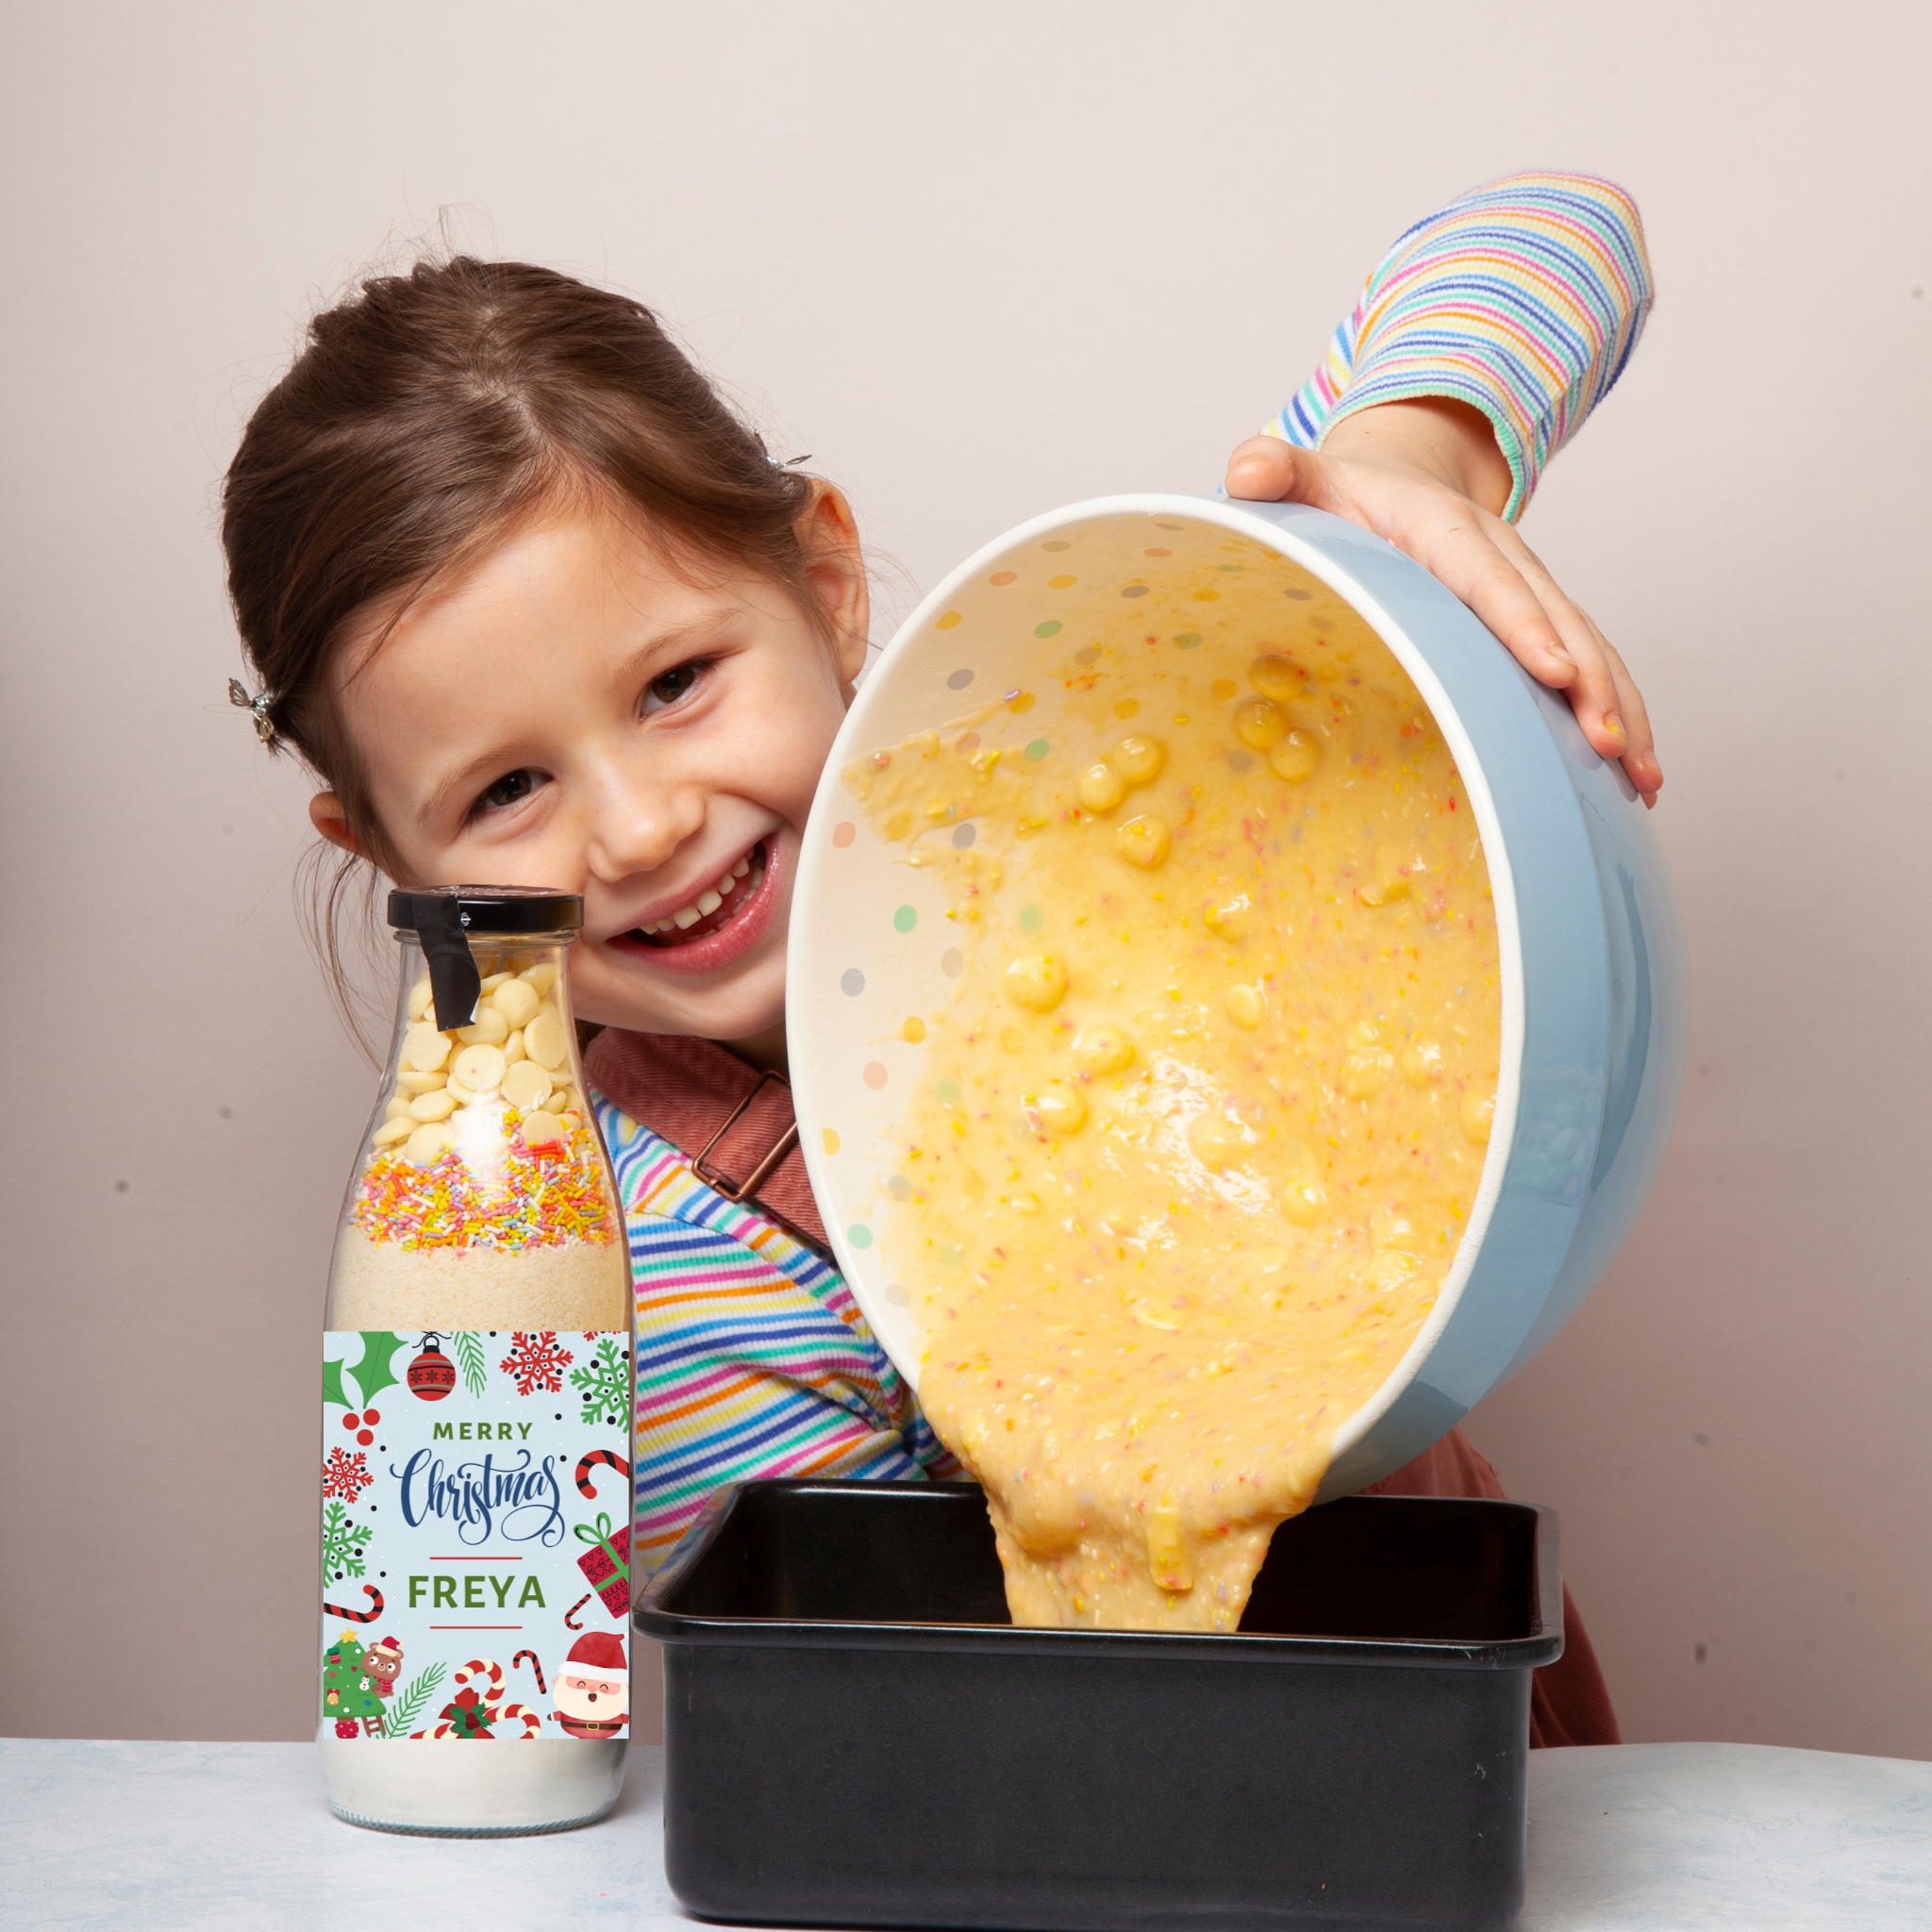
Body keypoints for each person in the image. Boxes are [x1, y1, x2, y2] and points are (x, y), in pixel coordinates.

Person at [225, 169, 1654, 1749]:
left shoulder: (1125, 790)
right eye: (505, 791)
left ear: (826, 587)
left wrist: (1403, 453)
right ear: (394, 863)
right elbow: (878, 1754)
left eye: (679, 683)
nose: (635, 830)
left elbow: (1561, 226)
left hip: (1453, 1798)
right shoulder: (594, 1282)